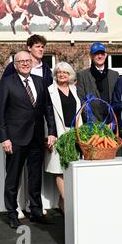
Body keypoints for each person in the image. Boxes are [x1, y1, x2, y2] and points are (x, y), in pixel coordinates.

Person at [0, 51, 57, 229]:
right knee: (13, 178)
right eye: (20, 61)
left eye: (27, 61)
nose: (24, 64)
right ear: (15, 65)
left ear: (32, 62)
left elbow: (48, 109)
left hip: (37, 138)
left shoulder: (39, 82)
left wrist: (51, 132)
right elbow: (0, 113)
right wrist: (4, 138)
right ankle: (12, 213)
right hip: (15, 139)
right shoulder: (7, 83)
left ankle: (36, 211)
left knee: (35, 177)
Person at [44, 62, 81, 214]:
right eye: (59, 72)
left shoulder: (74, 89)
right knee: (59, 169)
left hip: (73, 132)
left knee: (71, 167)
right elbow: (46, 114)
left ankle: (61, 201)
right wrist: (49, 134)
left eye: (65, 72)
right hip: (58, 133)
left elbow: (79, 111)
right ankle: (67, 203)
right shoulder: (49, 91)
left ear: (70, 74)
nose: (61, 74)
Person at [76, 42, 119, 123]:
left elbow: (117, 100)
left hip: (111, 123)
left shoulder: (114, 75)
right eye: (96, 54)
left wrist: (113, 122)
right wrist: (94, 124)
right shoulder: (82, 75)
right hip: (92, 125)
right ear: (91, 56)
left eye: (102, 53)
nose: (100, 56)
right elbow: (82, 102)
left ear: (105, 55)